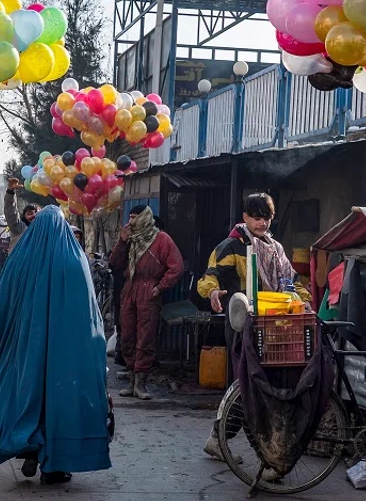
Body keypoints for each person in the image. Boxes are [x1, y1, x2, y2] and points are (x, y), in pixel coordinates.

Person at [0, 206, 111, 485]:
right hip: (66, 354)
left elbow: (0, 300)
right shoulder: (75, 260)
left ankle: (30, 448)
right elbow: (91, 313)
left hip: (26, 349)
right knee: (59, 403)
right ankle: (54, 465)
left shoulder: (21, 258)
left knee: (27, 396)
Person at [197, 192, 295, 460]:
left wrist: (303, 301)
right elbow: (209, 277)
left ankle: (221, 438)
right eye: (256, 217)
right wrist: (213, 292)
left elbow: (289, 283)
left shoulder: (275, 249)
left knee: (254, 386)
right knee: (247, 385)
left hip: (272, 324)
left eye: (266, 217)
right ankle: (262, 451)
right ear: (245, 218)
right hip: (242, 325)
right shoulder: (231, 246)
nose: (262, 222)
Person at [110, 205, 184, 400]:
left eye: (135, 217)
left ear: (145, 218)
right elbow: (115, 263)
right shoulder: (130, 239)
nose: (131, 221)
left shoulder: (161, 239)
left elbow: (176, 267)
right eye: (130, 217)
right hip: (129, 289)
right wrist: (122, 242)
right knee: (127, 337)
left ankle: (141, 384)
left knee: (145, 338)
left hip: (148, 291)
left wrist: (159, 287)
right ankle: (131, 381)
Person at [5, 177, 38, 252]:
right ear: (24, 216)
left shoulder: (42, 231)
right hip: (19, 263)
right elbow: (10, 212)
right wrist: (10, 192)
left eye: (37, 213)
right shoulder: (19, 228)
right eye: (30, 213)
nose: (34, 216)